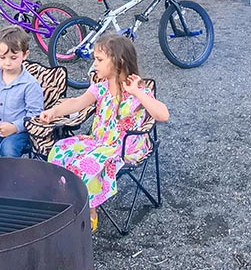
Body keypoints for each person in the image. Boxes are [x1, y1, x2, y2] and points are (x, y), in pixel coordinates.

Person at [37, 33, 168, 230]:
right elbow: (76, 103)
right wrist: (54, 111)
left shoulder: (137, 91)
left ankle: (89, 209)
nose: (94, 65)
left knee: (82, 166)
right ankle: (68, 201)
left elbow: (163, 115)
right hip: (99, 142)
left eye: (99, 60)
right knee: (59, 151)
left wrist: (138, 93)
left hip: (124, 149)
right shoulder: (101, 88)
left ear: (118, 62)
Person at [0, 27, 44, 158]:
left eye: (13, 57)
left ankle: (11, 177)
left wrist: (15, 127)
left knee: (8, 149)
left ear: (25, 55)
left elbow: (35, 115)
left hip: (20, 131)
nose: (7, 62)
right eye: (2, 57)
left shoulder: (30, 84)